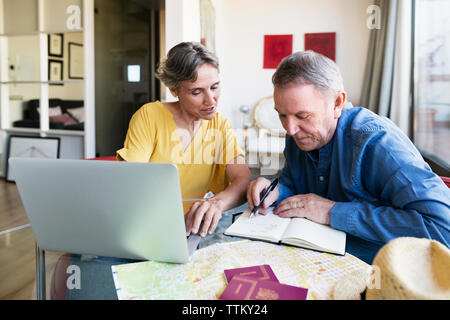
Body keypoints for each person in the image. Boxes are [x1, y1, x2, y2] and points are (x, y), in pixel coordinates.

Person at [247, 50, 450, 264]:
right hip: (313, 258)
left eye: (302, 116)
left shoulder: (379, 143)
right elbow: (296, 185)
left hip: (378, 272)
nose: (290, 129)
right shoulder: (298, 136)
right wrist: (276, 190)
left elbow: (442, 228)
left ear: (337, 103)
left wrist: (331, 211)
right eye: (282, 114)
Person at [117, 41, 251, 237]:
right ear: (174, 90)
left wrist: (216, 203)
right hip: (145, 225)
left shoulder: (220, 126)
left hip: (190, 230)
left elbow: (243, 178)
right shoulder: (149, 116)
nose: (210, 100)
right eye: (196, 92)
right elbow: (132, 181)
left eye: (214, 87)